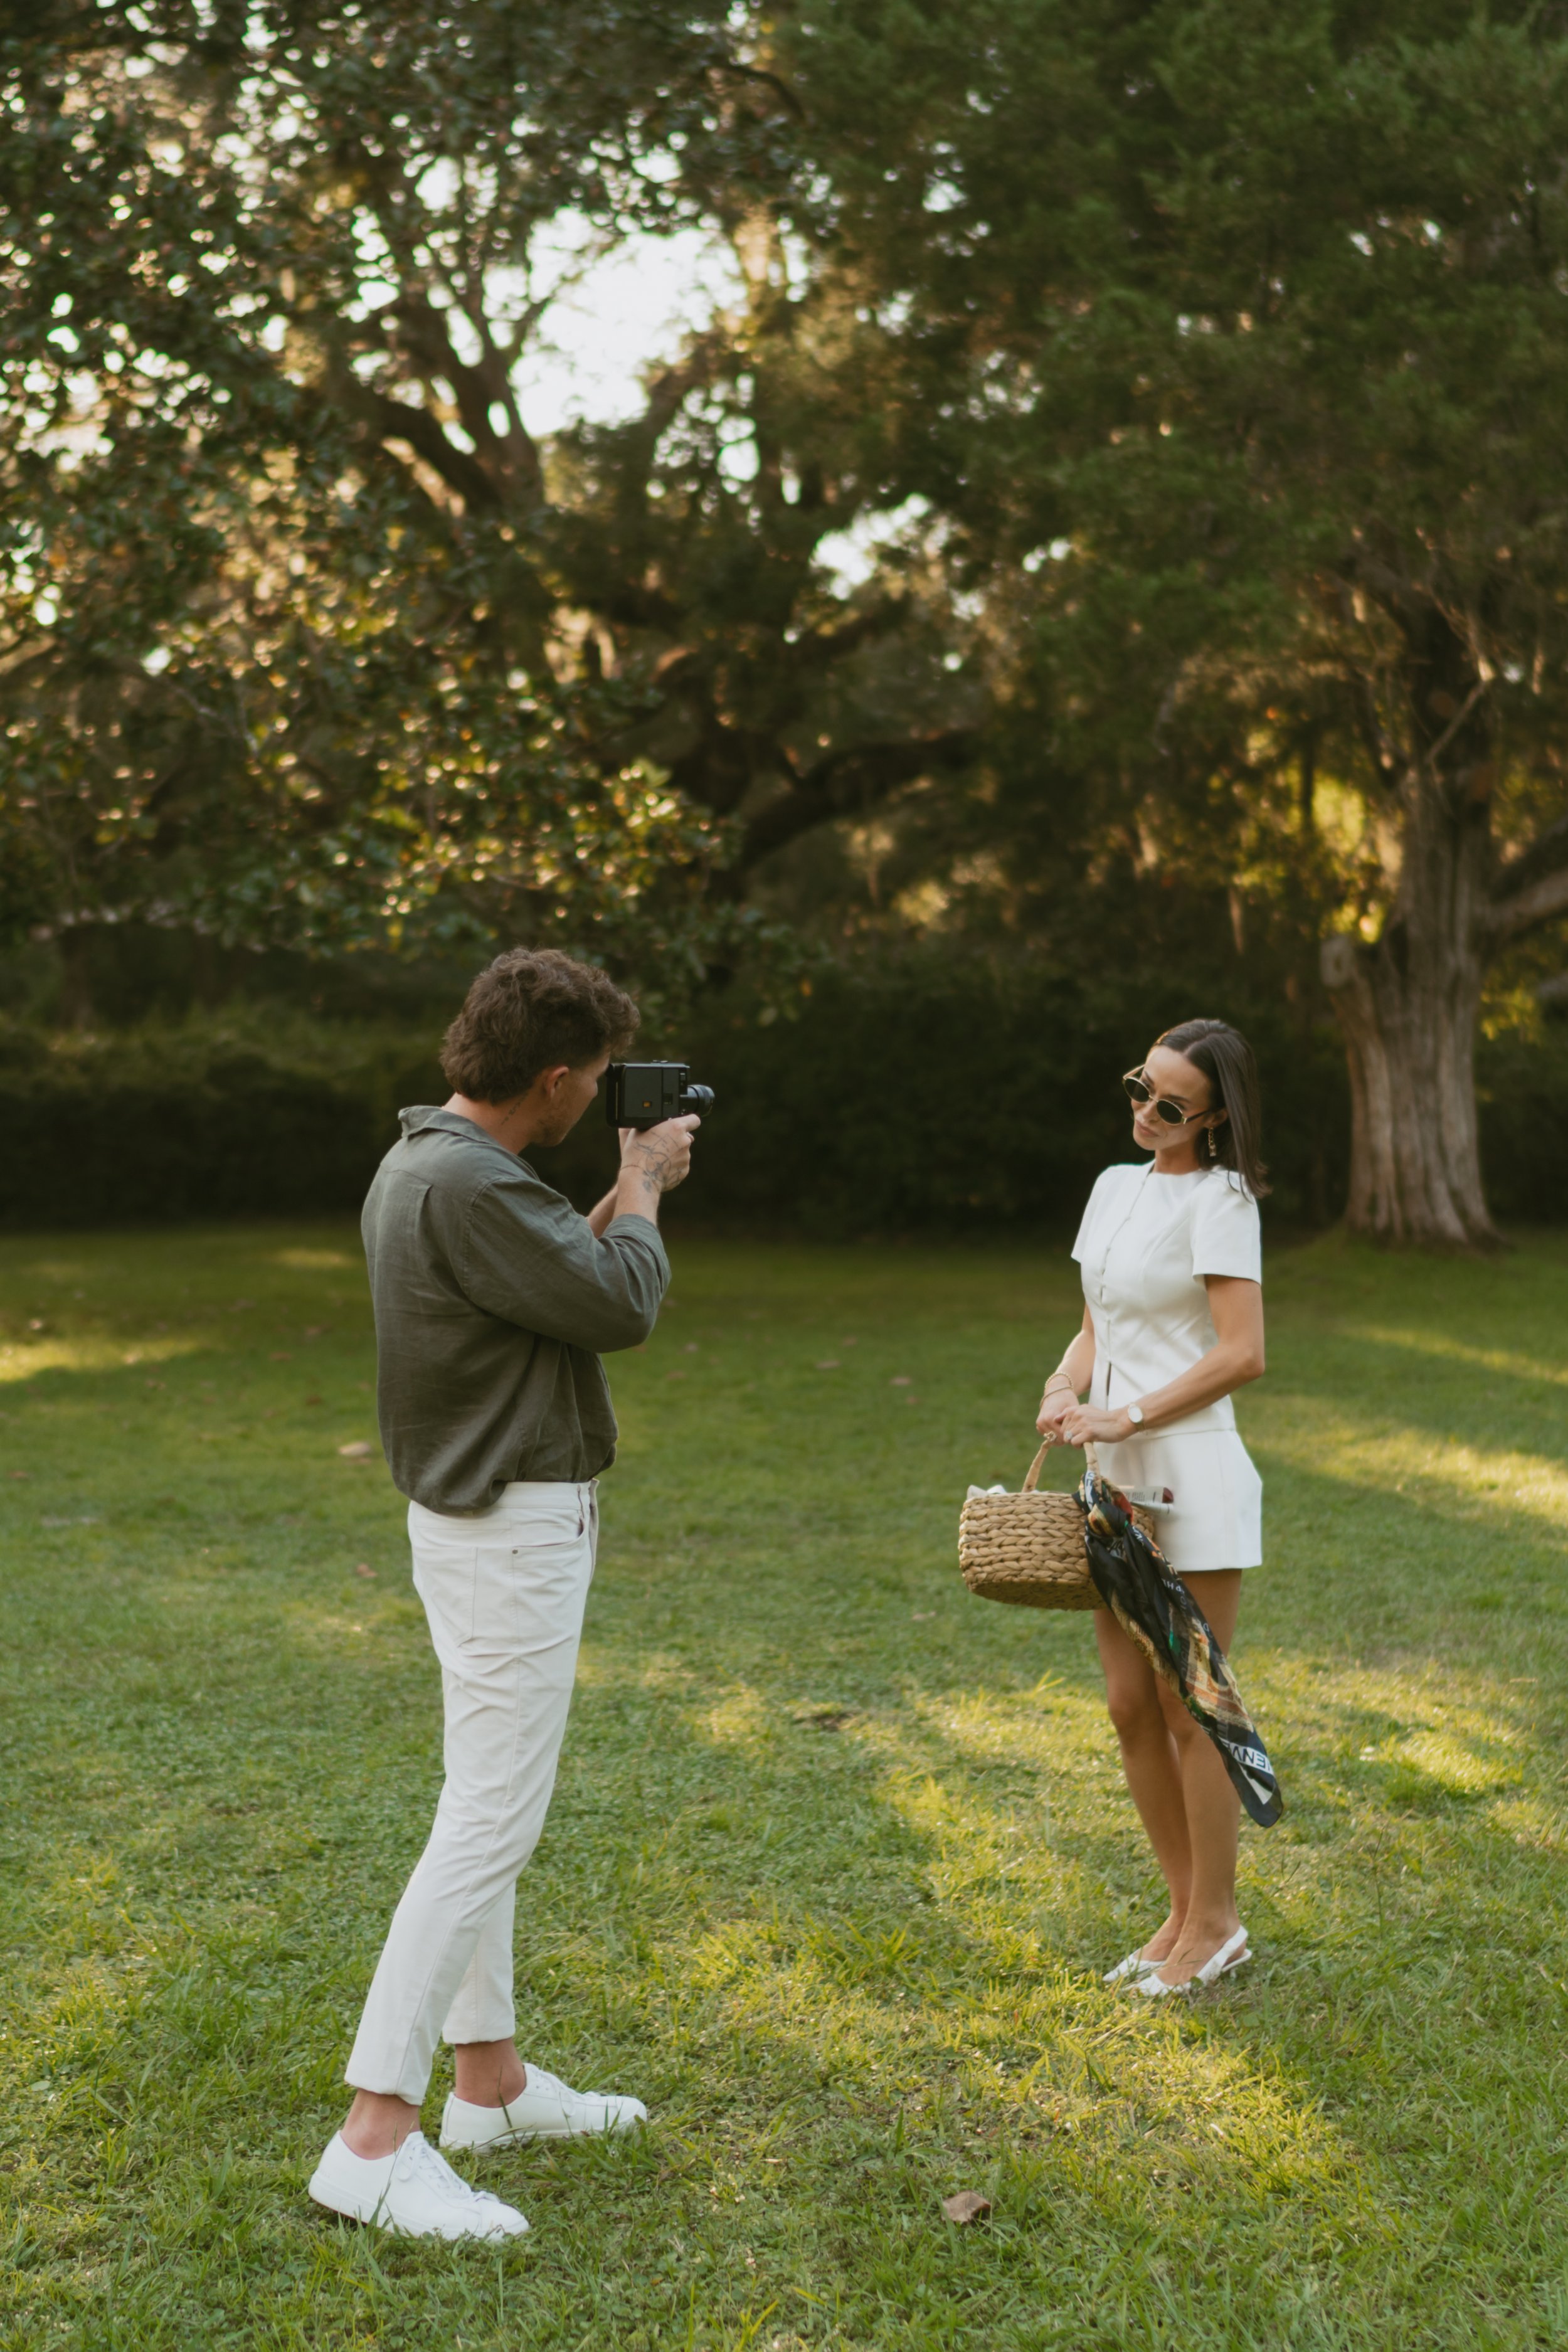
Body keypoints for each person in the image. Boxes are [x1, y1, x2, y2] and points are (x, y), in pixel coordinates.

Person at [309, 948, 697, 2241]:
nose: (599, 1100)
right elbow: (624, 1306)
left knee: (485, 1809)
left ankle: (491, 2085)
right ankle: (375, 2134)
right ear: (551, 1077)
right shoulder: (472, 1182)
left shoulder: (433, 1161)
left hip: (479, 1525)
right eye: (593, 1082)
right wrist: (640, 1188)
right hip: (508, 1533)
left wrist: (604, 1202)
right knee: (487, 1824)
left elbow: (551, 1282)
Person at [1036, 1019, 1268, 1997]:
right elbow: (1100, 1319)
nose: (1146, 1110)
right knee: (1130, 1706)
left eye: (1170, 1105)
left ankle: (1217, 1923)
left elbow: (1240, 1352)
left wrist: (1123, 1408)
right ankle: (1180, 1911)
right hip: (1114, 1477)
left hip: (1194, 1474)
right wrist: (1063, 1383)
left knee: (1190, 1707)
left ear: (1213, 1116)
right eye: (1142, 1087)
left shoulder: (1222, 1201)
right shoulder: (1112, 1186)